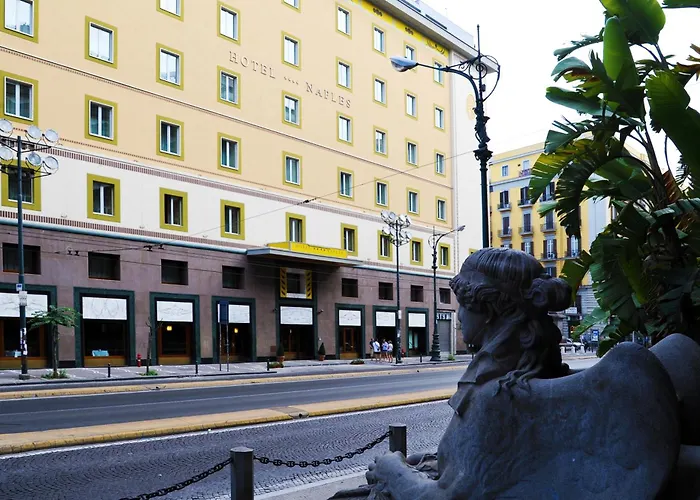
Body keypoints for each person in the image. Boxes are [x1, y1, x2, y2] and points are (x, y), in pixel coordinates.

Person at [361, 248, 682, 499]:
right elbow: (490, 460)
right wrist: (423, 462)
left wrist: (392, 470)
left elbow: (449, 497)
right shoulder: (529, 384)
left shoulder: (496, 399)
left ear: (488, 311)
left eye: (464, 304)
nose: (458, 316)